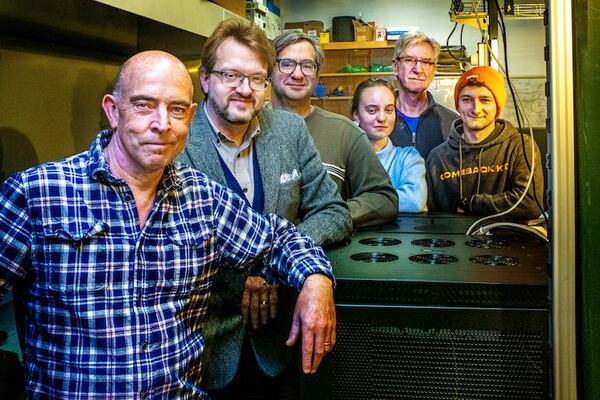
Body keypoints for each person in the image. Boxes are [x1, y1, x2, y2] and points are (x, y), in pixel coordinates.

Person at [0, 50, 338, 399]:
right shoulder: (37, 194)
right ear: (113, 111)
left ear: (190, 117)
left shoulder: (203, 200)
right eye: (144, 105)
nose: (162, 123)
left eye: (177, 109)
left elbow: (279, 239)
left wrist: (316, 281)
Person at [177, 19, 351, 399]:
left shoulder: (288, 130)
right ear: (204, 79)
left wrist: (276, 264)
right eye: (231, 75)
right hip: (200, 351)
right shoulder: (178, 140)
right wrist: (250, 271)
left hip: (278, 346)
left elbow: (334, 212)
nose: (245, 89)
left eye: (257, 79)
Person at [270, 30, 399, 228]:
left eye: (307, 65)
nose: (297, 74)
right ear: (269, 69)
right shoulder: (248, 128)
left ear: (317, 74)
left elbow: (384, 199)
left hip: (326, 254)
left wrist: (330, 217)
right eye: (286, 64)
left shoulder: (345, 132)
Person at [426, 66, 544, 219]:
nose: (476, 109)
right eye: (467, 100)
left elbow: (530, 203)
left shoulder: (520, 147)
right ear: (458, 105)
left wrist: (472, 204)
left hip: (508, 240)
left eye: (485, 100)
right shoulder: (438, 157)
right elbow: (431, 217)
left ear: (497, 106)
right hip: (456, 241)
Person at [351, 78, 427, 213]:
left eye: (388, 110)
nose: (382, 118)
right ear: (356, 115)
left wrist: (357, 203)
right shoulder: (344, 159)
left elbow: (414, 201)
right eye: (372, 110)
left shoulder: (408, 158)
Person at [389, 31, 458, 160]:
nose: (418, 69)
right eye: (409, 60)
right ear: (395, 67)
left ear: (434, 70)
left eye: (426, 62)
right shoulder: (378, 121)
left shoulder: (451, 124)